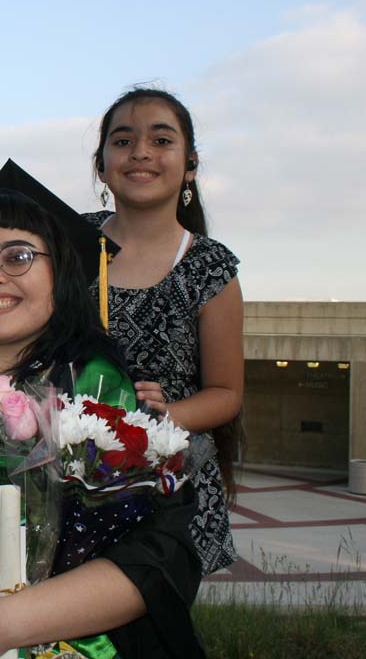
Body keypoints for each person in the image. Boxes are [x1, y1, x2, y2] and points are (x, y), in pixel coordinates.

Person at [0, 192, 204, 659]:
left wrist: (7, 622)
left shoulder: (106, 394)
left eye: (18, 256)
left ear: (59, 274)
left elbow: (161, 556)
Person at [86, 87, 245, 577]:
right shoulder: (67, 242)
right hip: (71, 479)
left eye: (161, 140)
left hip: (169, 488)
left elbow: (225, 393)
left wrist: (161, 417)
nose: (140, 153)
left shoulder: (209, 266)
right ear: (102, 163)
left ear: (189, 163)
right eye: (123, 140)